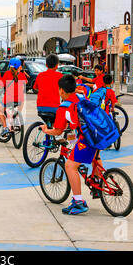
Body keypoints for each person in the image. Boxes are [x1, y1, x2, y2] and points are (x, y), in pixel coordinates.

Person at [41, 75, 104, 215]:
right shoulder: (82, 98)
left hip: (87, 139)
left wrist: (46, 130)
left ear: (61, 91)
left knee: (70, 166)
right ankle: (98, 183)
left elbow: (58, 130)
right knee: (95, 157)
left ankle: (78, 201)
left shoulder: (64, 107)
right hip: (100, 134)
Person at [0, 57, 27, 137]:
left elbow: (2, 85)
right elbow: (25, 83)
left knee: (0, 111)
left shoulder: (7, 74)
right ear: (19, 66)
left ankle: (5, 128)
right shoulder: (22, 75)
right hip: (19, 100)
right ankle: (17, 118)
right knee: (19, 109)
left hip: (9, 99)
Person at [32, 54, 63, 126]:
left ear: (46, 65)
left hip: (40, 108)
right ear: (57, 65)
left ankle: (49, 135)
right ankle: (57, 136)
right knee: (62, 121)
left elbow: (35, 88)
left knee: (49, 126)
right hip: (54, 108)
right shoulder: (59, 76)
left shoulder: (40, 75)